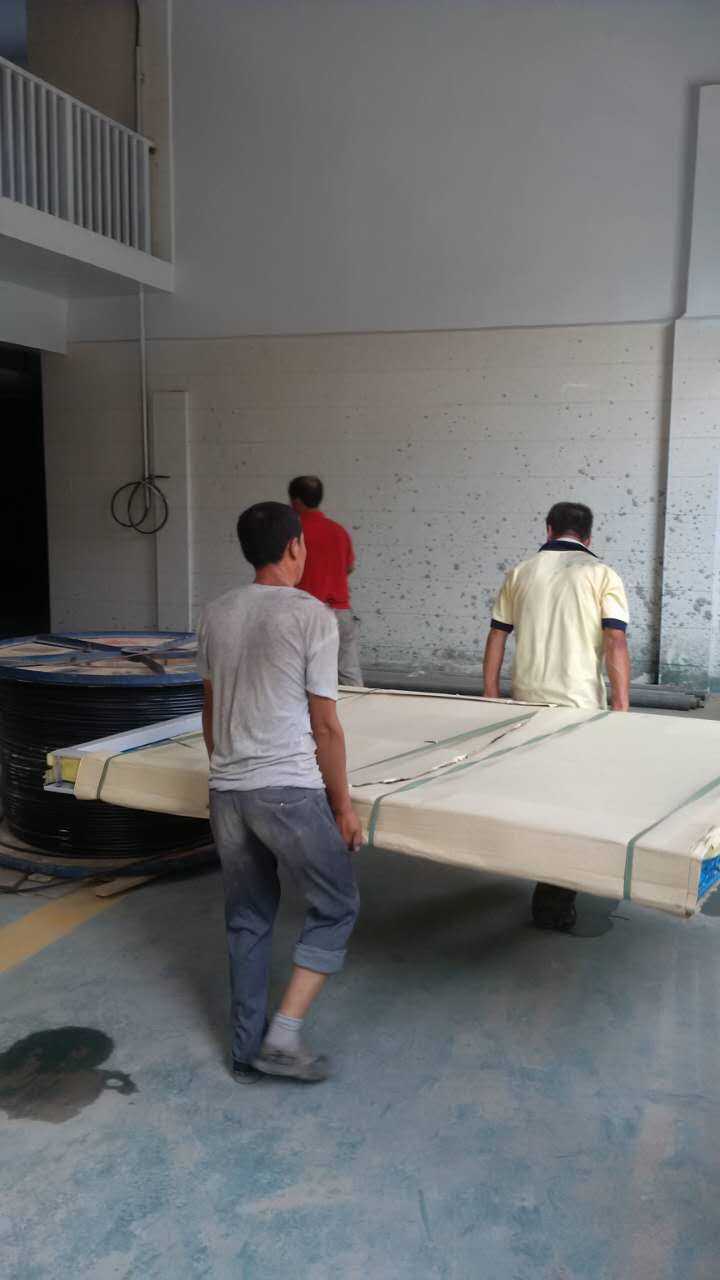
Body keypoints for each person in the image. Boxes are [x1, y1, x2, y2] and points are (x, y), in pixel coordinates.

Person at [198, 502, 362, 1083]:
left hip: (227, 792)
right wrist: (342, 807)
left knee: (247, 917)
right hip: (287, 789)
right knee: (337, 903)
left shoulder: (216, 612)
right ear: (295, 546)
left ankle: (245, 1054)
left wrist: (226, 773)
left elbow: (210, 710)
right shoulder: (311, 614)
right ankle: (284, 1037)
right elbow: (326, 726)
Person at [482, 501, 630, 931]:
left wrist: (490, 694)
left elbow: (497, 635)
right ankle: (553, 901)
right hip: (579, 708)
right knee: (572, 805)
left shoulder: (520, 573)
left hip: (526, 702)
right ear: (589, 535)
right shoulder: (602, 574)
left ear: (548, 529)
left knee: (536, 795)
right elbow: (615, 641)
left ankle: (542, 880)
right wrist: (621, 705)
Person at [288, 475, 363, 686]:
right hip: (340, 611)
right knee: (348, 673)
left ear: (296, 501)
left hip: (306, 614)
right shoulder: (338, 531)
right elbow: (349, 567)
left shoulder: (294, 533)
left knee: (304, 676)